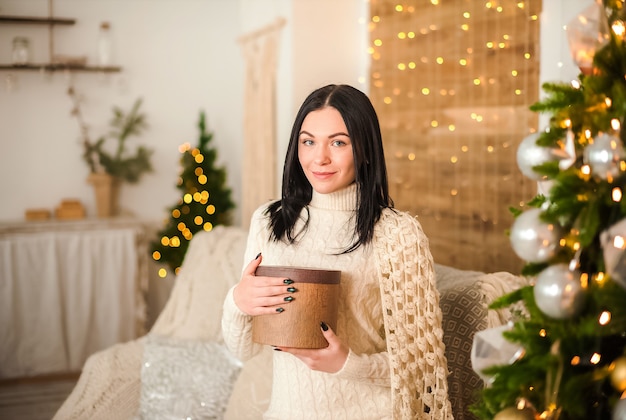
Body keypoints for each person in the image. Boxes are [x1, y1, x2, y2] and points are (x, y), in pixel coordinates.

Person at [221, 84, 452, 419]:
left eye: (339, 142)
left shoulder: (397, 233)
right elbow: (243, 350)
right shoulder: (269, 222)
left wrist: (348, 364)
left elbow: (423, 369)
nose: (320, 158)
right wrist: (238, 301)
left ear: (365, 149)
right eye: (308, 141)